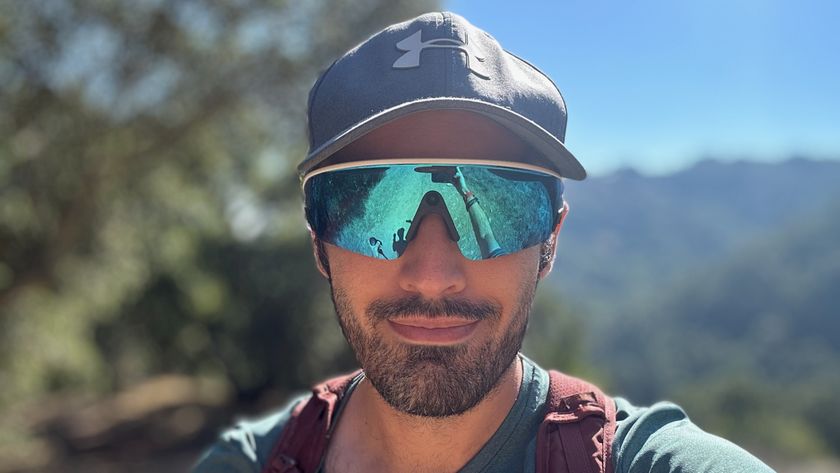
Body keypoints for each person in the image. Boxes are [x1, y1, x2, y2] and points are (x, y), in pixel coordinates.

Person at [194, 12, 775, 473]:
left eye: (498, 202)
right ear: (319, 238)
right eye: (374, 203)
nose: (432, 274)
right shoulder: (245, 464)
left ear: (551, 239)